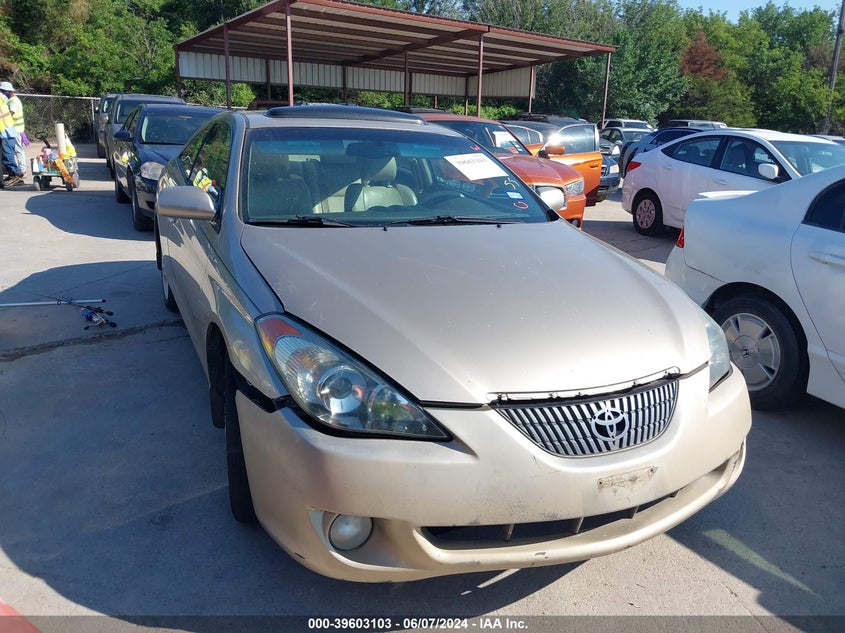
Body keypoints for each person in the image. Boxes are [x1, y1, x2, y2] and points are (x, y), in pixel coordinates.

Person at [0, 81, 26, 178]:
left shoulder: (13, 101)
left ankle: (19, 173)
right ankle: (14, 173)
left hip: (12, 131)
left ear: (7, 91)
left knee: (14, 153)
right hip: (11, 130)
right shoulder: (7, 100)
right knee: (10, 153)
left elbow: (11, 113)